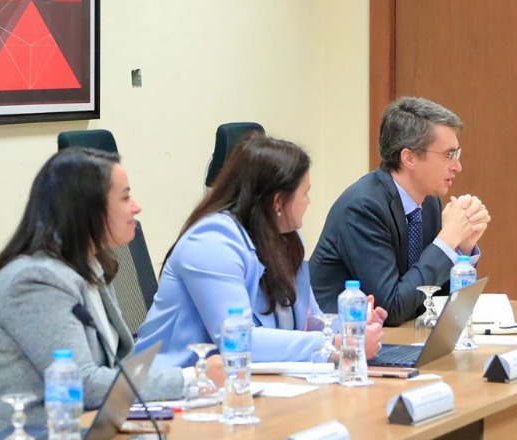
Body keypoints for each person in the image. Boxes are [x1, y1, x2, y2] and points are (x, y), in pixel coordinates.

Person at [0, 148, 224, 433]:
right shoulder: (35, 280)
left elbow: (116, 367)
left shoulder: (92, 267)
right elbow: (81, 384)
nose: (136, 207)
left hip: (79, 430)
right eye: (125, 198)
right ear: (88, 209)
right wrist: (192, 378)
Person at [136, 133, 386, 363]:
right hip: (173, 384)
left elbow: (308, 321)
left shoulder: (286, 238)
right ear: (278, 202)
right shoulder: (211, 242)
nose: (308, 201)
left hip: (251, 382)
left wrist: (352, 326)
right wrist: (335, 345)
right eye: (305, 193)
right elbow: (240, 340)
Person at [310, 97, 491, 326]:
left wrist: (461, 249)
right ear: (409, 158)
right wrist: (446, 242)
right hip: (341, 338)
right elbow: (391, 308)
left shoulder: (429, 203)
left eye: (457, 154)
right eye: (449, 155)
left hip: (397, 335)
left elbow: (431, 297)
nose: (458, 166)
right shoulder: (362, 207)